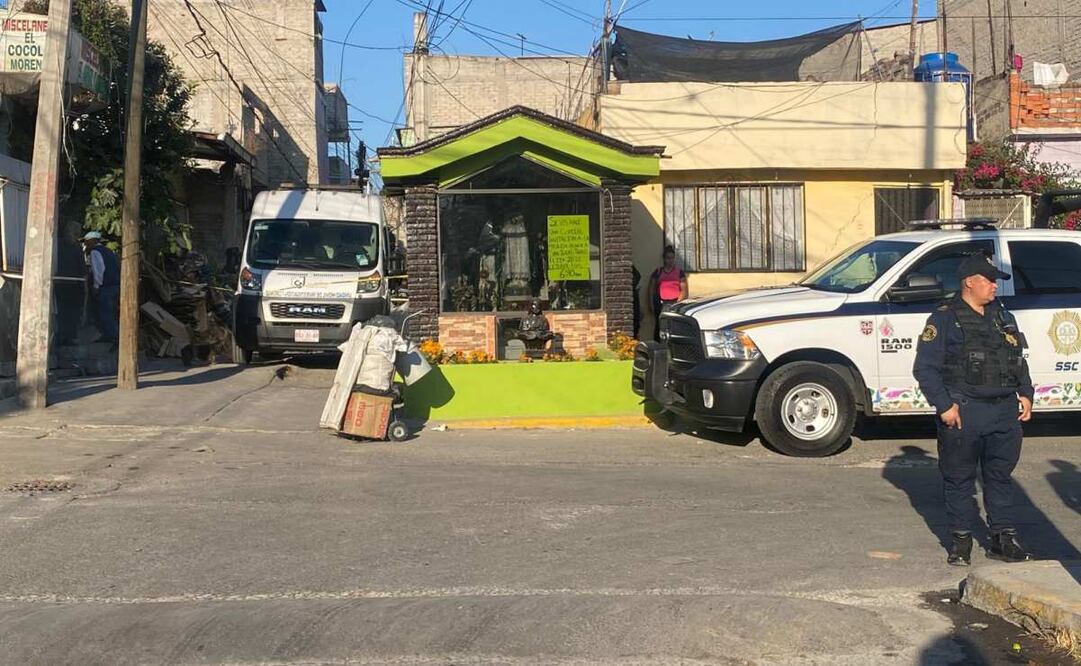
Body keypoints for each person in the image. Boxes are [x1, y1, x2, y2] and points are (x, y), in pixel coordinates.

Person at [913, 253, 1034, 567]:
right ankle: (961, 540)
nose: (995, 287)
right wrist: (944, 406)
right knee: (959, 479)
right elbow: (925, 369)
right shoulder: (944, 318)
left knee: (1000, 477)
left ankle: (1002, 538)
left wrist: (1026, 393)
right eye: (989, 280)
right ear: (969, 282)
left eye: (995, 281)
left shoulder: (1003, 316)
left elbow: (1018, 359)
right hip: (965, 410)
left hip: (1004, 411)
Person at [81, 231, 120, 347]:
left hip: (105, 287)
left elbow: (98, 271)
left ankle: (113, 336)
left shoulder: (95, 252)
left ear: (92, 241)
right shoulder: (109, 251)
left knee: (104, 313)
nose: (86, 245)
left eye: (87, 242)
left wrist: (96, 287)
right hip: (114, 285)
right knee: (110, 312)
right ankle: (109, 335)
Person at [648, 245, 688, 341]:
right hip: (661, 303)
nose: (670, 260)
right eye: (668, 258)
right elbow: (651, 289)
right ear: (664, 259)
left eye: (672, 258)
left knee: (674, 326)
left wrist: (679, 302)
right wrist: (651, 304)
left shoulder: (679, 272)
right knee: (660, 325)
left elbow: (684, 290)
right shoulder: (658, 272)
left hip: (675, 302)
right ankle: (659, 346)